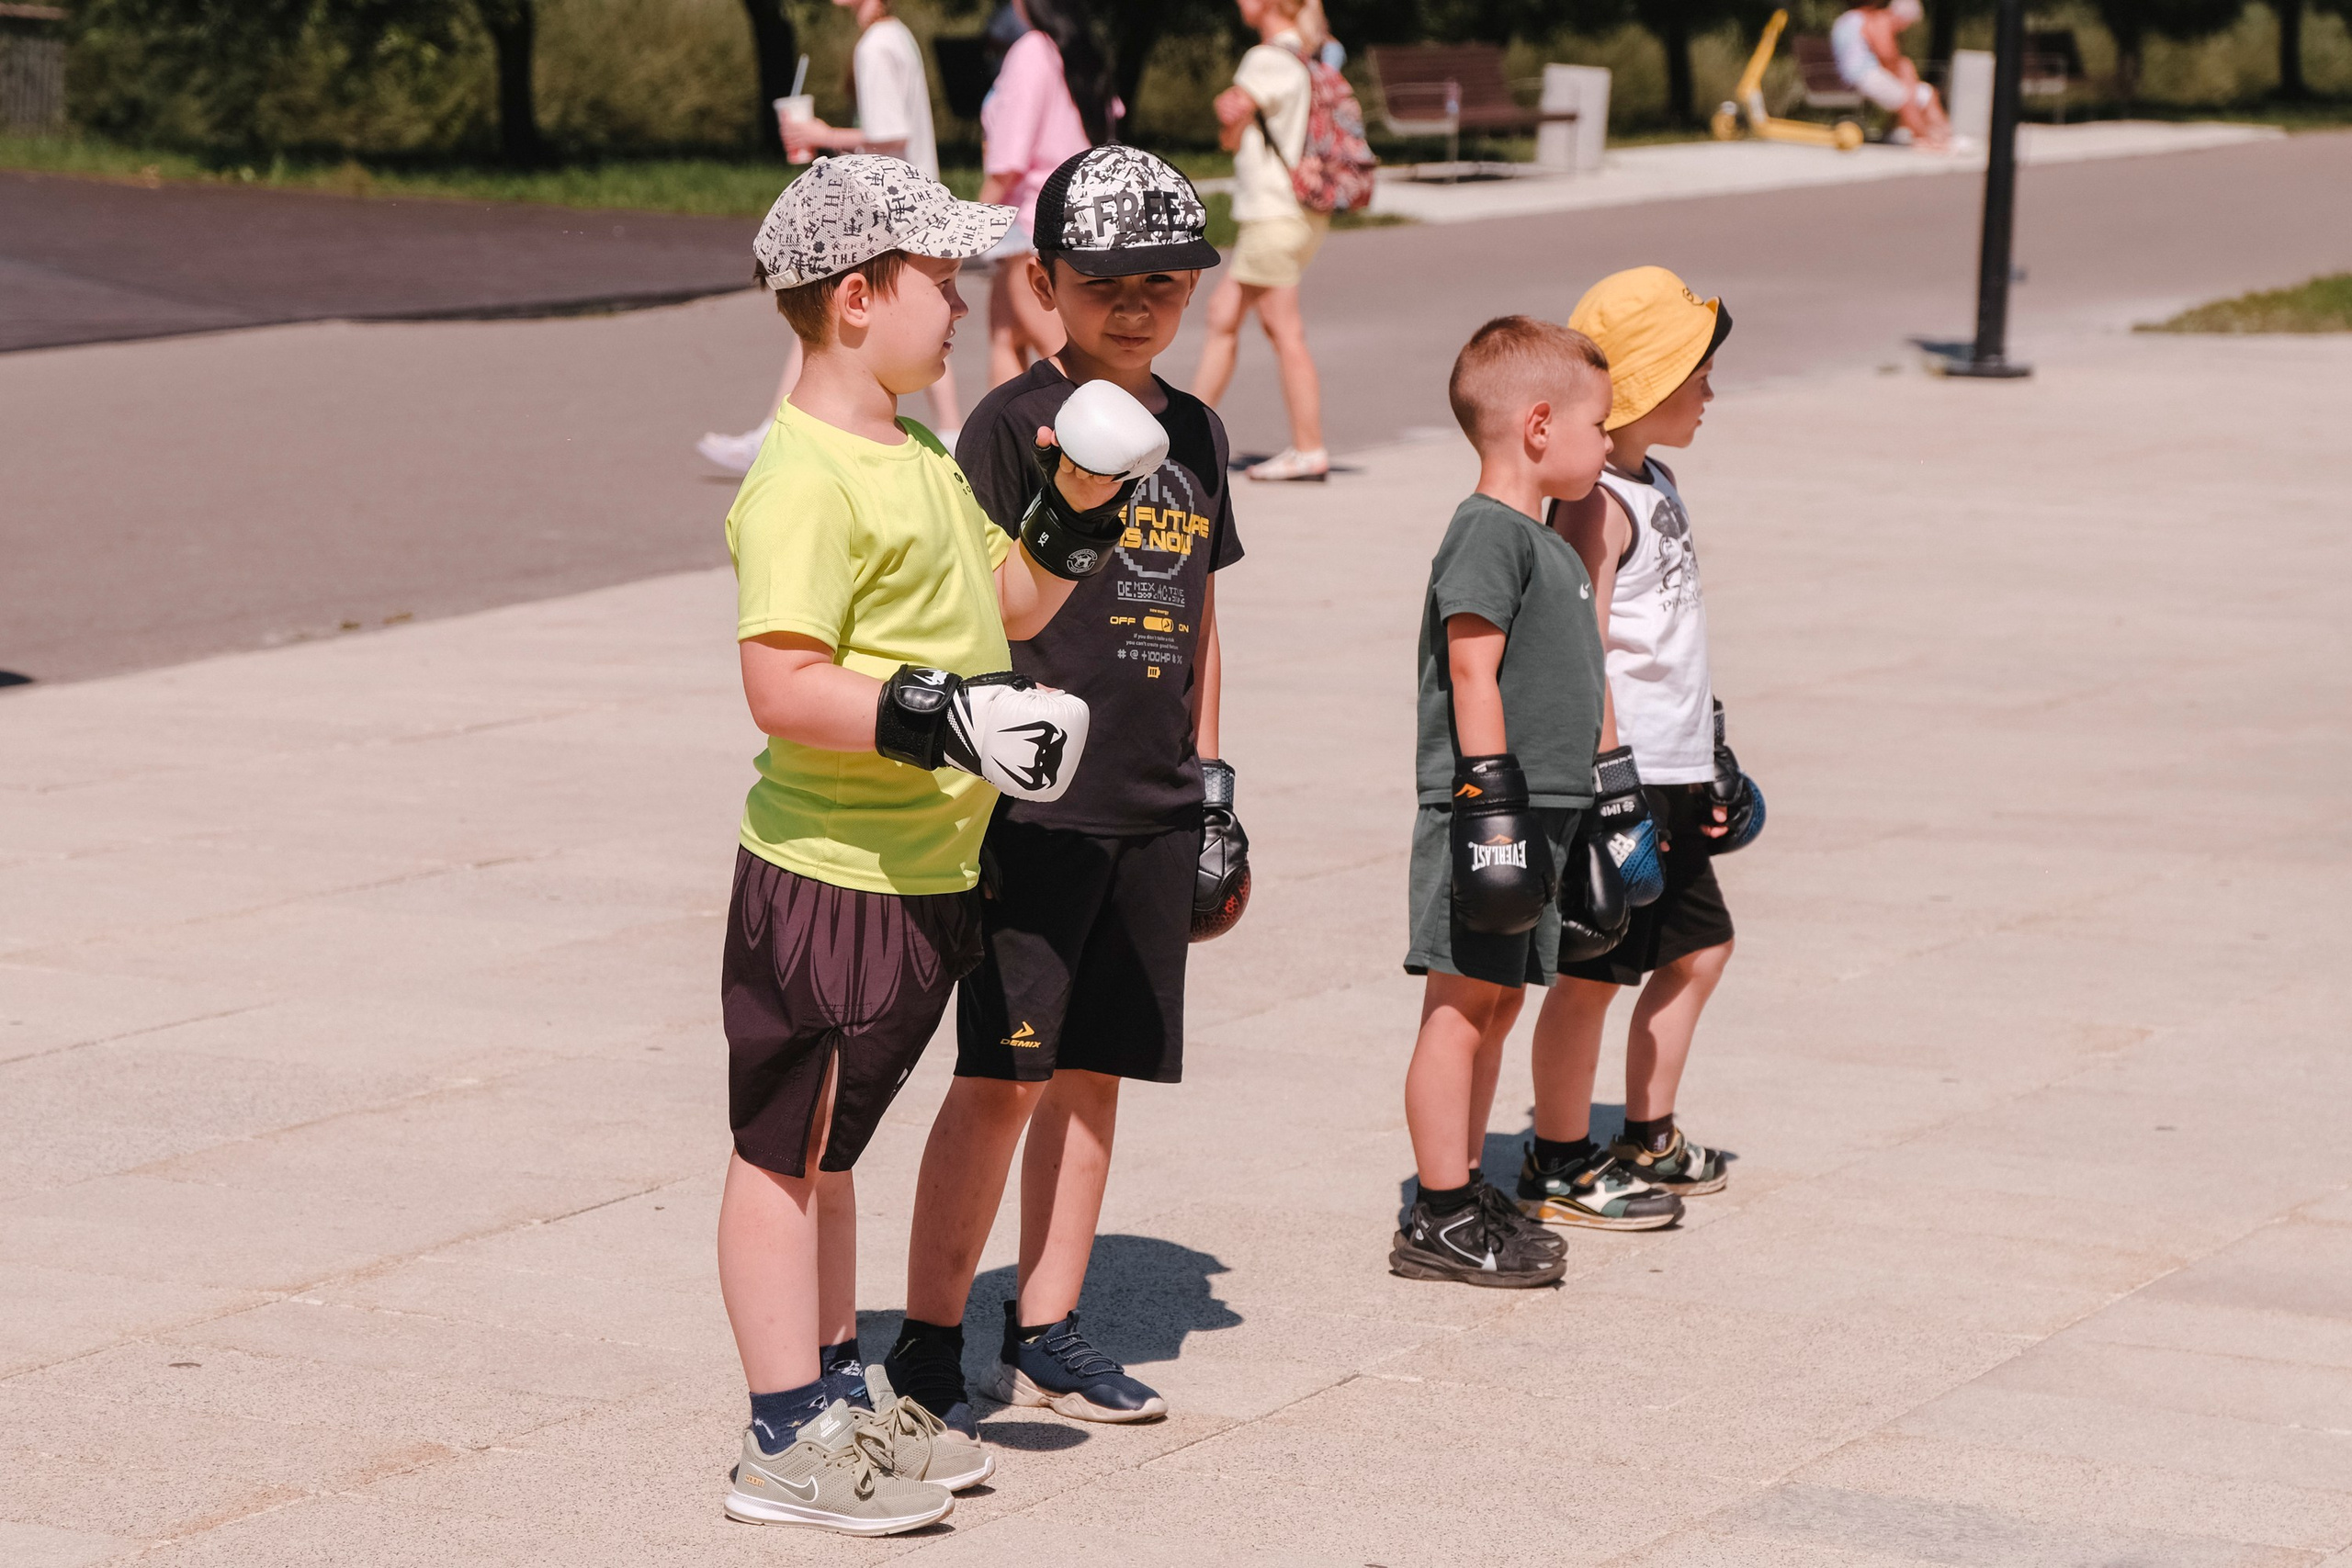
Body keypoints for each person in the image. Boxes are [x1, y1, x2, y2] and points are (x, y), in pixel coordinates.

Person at [716, 152, 1156, 1533]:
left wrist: (1078, 506)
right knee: (781, 1152)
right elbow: (781, 684)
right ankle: (783, 1434)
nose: (963, 305)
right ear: (857, 298)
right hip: (828, 873)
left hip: (920, 866)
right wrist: (944, 717)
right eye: (941, 279)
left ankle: (837, 1386)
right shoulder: (806, 480)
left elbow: (1009, 597)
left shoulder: (910, 451)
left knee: (832, 1148)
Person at [886, 146, 1241, 1429]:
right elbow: (974, 604)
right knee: (1002, 1071)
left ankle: (1051, 1320)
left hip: (1153, 799)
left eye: (1165, 279)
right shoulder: (1007, 424)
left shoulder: (1196, 431)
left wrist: (1215, 786)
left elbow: (1205, 617)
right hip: (1035, 809)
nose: (1137, 302)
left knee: (1095, 1072)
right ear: (1043, 282)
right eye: (1105, 281)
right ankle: (930, 1335)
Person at [1518, 266, 1754, 1230]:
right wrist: (1610, 787)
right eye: (1696, 372)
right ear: (1647, 387)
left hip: (1671, 767)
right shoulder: (1596, 505)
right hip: (1617, 781)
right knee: (1593, 966)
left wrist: (1712, 747)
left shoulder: (1655, 484)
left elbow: (1668, 644)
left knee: (1699, 947)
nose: (1711, 390)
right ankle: (1559, 1160)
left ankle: (1644, 1133)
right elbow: (1580, 652)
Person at [1389, 315, 1621, 1290]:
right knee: (1457, 1004)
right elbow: (1471, 671)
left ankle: (1468, 1183)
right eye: (1598, 425)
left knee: (1495, 1006)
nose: (1607, 443)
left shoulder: (1548, 540)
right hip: (1493, 812)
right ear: (1537, 426)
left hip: (1544, 811)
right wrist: (1491, 806)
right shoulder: (1488, 534)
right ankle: (1436, 1215)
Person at [695, 0, 956, 475]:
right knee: (919, 313)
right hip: (911, 203)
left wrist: (821, 132)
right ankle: (953, 430)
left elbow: (889, 135)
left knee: (828, 310)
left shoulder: (876, 45)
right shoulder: (895, 36)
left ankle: (772, 433)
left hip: (885, 210)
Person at [1193, 0, 1329, 484]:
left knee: (1283, 329)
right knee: (1223, 315)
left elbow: (1231, 115)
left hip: (1272, 213)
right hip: (1300, 214)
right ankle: (1186, 435)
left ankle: (1309, 449)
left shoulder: (1265, 58)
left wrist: (1227, 117)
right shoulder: (1309, 56)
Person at [978, 0, 1117, 387]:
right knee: (1006, 340)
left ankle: (1112, 444)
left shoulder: (1031, 51)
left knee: (1072, 364)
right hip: (1070, 215)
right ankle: (1003, 446)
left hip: (1029, 223)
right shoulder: (1075, 51)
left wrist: (967, 228)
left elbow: (1007, 162)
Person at [1832, 0, 1952, 151]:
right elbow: (1887, 56)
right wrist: (1905, 70)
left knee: (1924, 93)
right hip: (1863, 76)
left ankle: (1939, 135)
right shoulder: (1874, 20)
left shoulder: (1847, 20)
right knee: (1908, 94)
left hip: (1851, 77)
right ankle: (1928, 137)